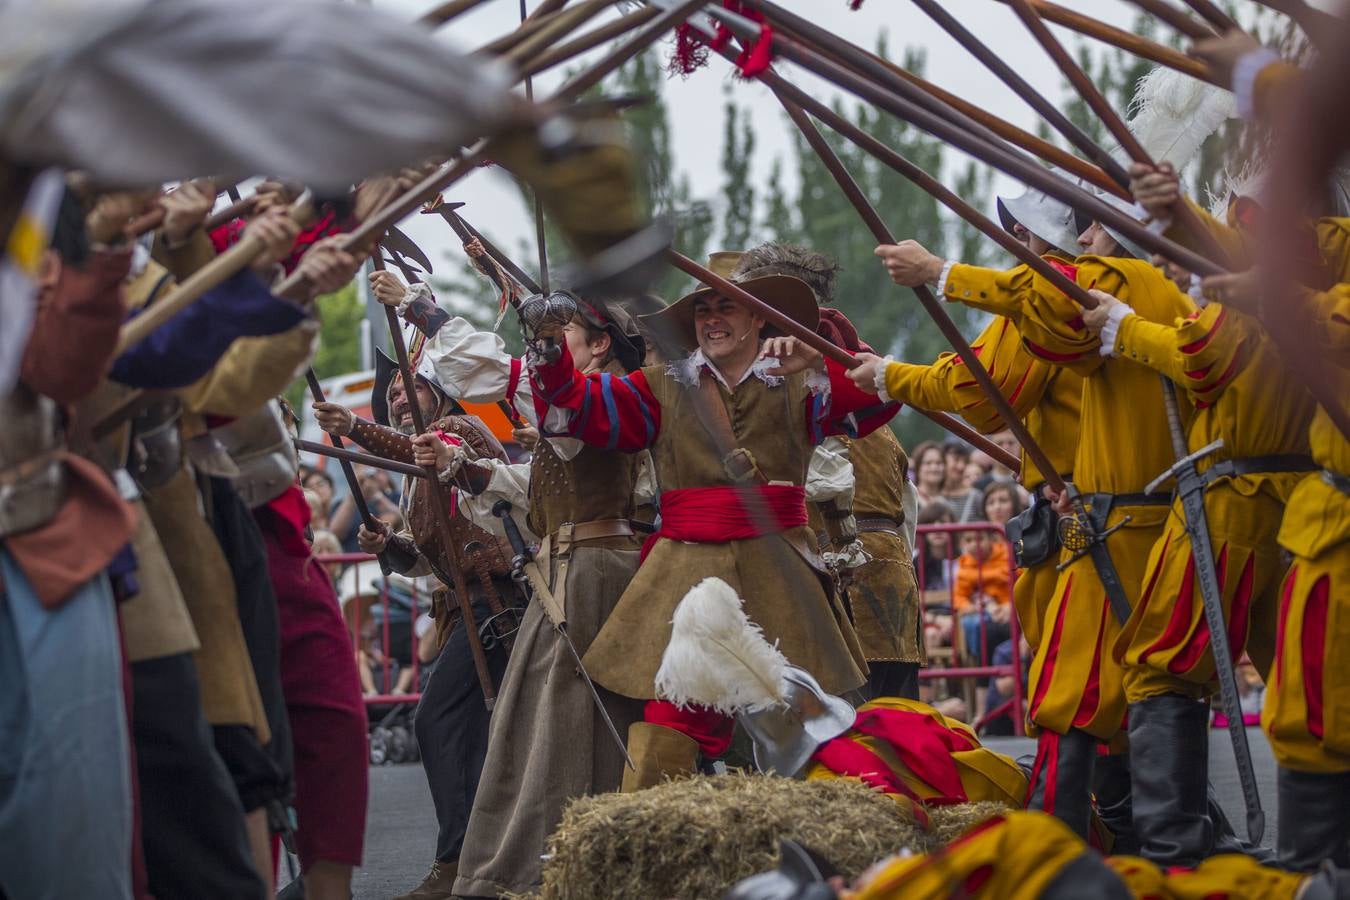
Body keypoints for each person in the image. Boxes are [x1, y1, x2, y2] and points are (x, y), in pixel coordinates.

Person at [867, 196, 1193, 842]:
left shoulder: (1056, 293)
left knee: (1068, 696)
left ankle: (1059, 853)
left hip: (1095, 524)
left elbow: (979, 392)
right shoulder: (1151, 291)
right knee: (1130, 693)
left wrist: (888, 374)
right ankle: (1140, 838)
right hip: (1129, 516)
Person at [524, 255, 899, 793]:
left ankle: (812, 850)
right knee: (675, 714)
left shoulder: (801, 379)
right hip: (685, 574)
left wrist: (816, 356)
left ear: (758, 320)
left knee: (805, 715)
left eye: (728, 306)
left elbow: (877, 393)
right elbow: (576, 407)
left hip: (783, 571)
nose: (713, 319)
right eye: (704, 308)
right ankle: (650, 839)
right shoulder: (659, 385)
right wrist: (549, 347)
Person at [360, 261, 651, 899]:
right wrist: (467, 472)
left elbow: (505, 378)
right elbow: (533, 483)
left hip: (598, 573)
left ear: (598, 343)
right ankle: (554, 859)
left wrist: (422, 308)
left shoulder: (612, 395)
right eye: (540, 337)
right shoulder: (566, 396)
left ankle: (608, 854)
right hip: (562, 571)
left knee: (593, 723)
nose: (543, 349)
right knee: (545, 730)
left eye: (560, 333)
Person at [313, 337, 518, 900]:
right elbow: (430, 558)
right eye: (394, 395)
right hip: (464, 608)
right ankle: (482, 861)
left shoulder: (461, 434)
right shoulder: (413, 464)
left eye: (410, 388)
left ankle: (459, 861)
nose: (399, 399)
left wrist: (353, 428)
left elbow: (427, 450)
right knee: (477, 737)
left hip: (499, 602)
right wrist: (390, 544)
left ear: (438, 391)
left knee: (437, 722)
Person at [734, 243, 923, 702]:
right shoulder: (815, 372)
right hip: (860, 574)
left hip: (841, 575)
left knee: (868, 728)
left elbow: (874, 397)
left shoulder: (830, 378)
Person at [910, 440, 947, 506]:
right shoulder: (909, 500)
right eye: (928, 463)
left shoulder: (949, 504)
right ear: (918, 467)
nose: (934, 468)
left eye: (938, 463)